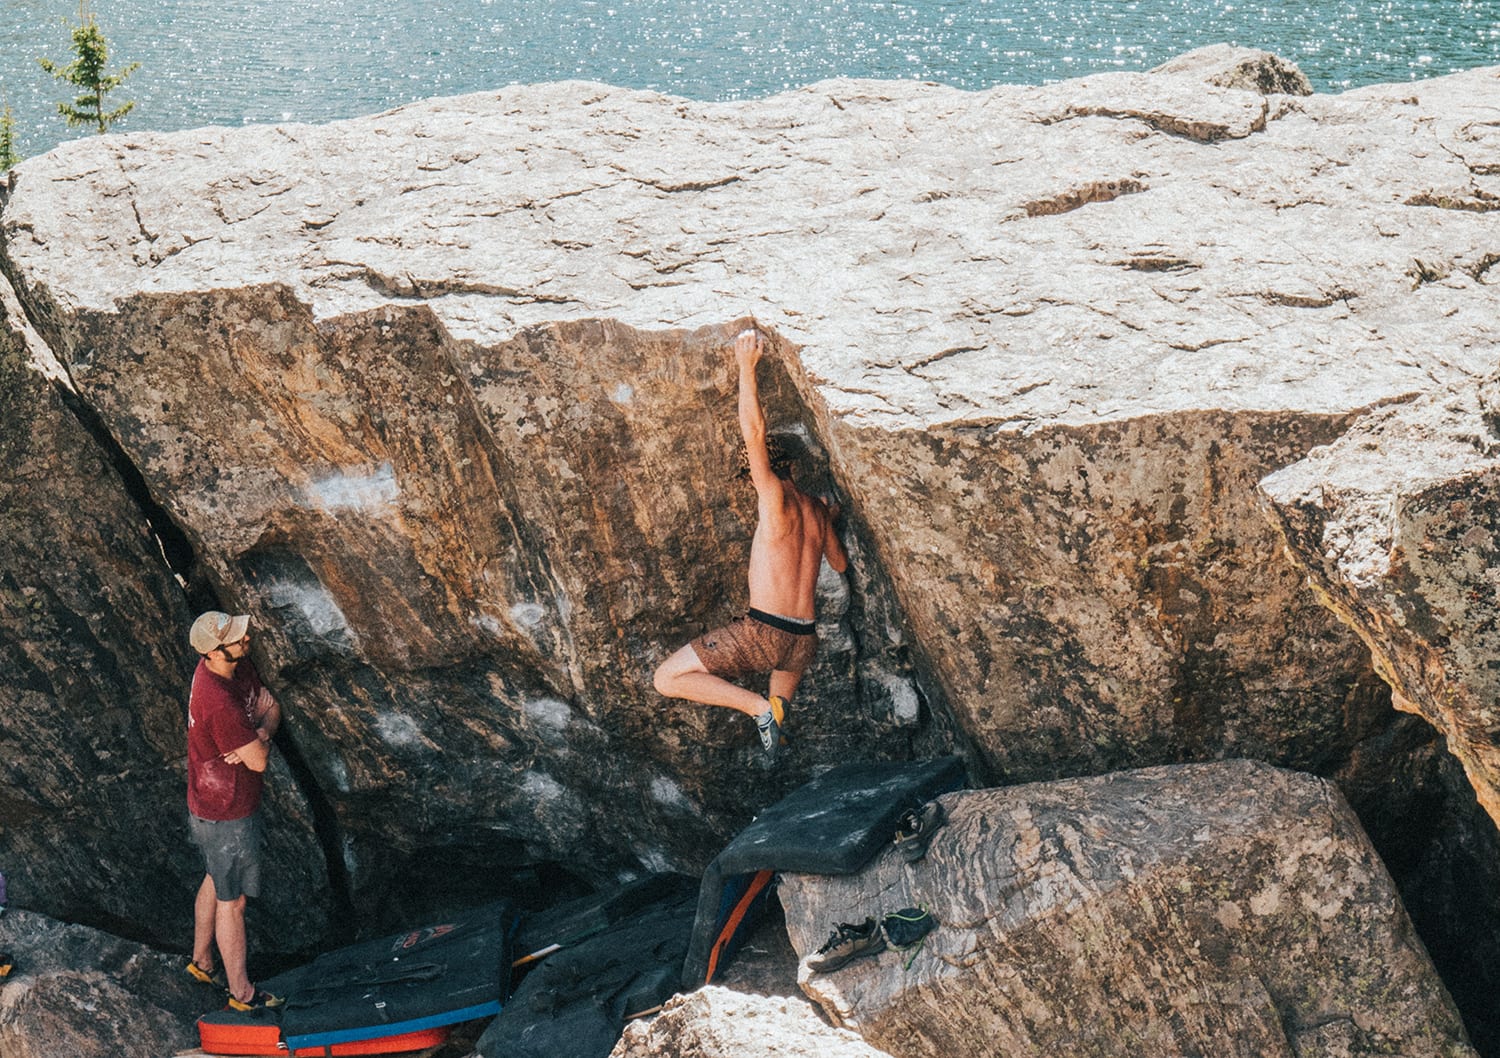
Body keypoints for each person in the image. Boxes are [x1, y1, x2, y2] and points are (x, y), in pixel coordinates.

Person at [653, 327, 848, 752]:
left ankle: (758, 709)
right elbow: (840, 564)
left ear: (759, 475)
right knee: (780, 707)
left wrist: (746, 366)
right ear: (793, 466)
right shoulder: (816, 510)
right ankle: (774, 711)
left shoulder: (773, 496)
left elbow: (754, 433)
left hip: (765, 633)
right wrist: (830, 517)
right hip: (804, 642)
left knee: (666, 679)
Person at [183, 610, 283, 1010]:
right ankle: (241, 993)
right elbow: (258, 761)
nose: (247, 640)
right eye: (238, 638)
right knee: (233, 901)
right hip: (226, 813)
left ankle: (201, 961)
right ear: (215, 651)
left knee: (215, 876)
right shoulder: (219, 703)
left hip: (211, 802)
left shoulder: (229, 669)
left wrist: (260, 732)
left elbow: (271, 709)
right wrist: (259, 734)